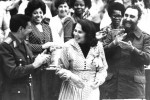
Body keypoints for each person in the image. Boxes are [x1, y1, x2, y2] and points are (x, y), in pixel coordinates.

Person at [101, 5, 150, 99]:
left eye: (132, 16)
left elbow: (148, 59)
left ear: (138, 19)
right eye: (126, 15)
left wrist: (132, 49)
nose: (128, 18)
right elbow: (101, 55)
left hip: (134, 90)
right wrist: (114, 43)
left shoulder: (145, 37)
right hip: (113, 88)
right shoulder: (112, 34)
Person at [0, 14, 50, 100]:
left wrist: (41, 61)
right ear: (21, 29)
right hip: (13, 95)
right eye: (29, 28)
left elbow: (31, 65)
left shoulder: (25, 44)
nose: (31, 31)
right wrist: (34, 65)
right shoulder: (6, 46)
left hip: (27, 93)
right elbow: (12, 72)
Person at [56, 19, 108, 100]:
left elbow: (103, 69)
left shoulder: (98, 46)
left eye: (80, 32)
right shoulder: (67, 46)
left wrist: (99, 79)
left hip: (91, 91)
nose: (75, 34)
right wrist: (71, 76)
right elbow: (59, 69)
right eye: (75, 31)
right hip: (71, 91)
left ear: (88, 34)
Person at [25, 0, 56, 100]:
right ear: (30, 13)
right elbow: (25, 45)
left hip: (47, 66)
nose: (38, 15)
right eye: (35, 13)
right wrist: (42, 47)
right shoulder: (28, 26)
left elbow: (50, 43)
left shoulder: (47, 27)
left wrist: (51, 48)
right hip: (33, 64)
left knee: (47, 93)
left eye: (40, 12)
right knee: (35, 92)